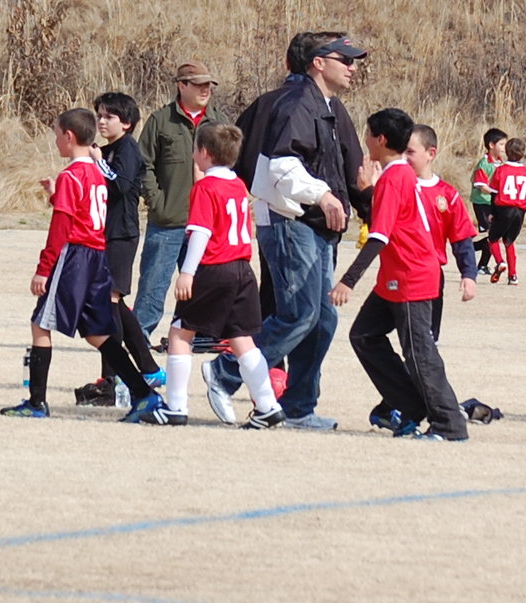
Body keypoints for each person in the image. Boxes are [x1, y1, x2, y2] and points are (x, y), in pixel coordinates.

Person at [222, 32, 370, 431]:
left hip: (315, 225)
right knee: (298, 314)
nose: (353, 68)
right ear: (318, 62)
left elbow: (345, 167)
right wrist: (324, 196)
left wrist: (365, 205)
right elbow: (280, 166)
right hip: (290, 222)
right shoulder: (297, 103)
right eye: (345, 60)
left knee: (320, 320)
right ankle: (226, 372)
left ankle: (299, 407)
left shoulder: (327, 105)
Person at [3, 107, 169, 422]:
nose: (55, 141)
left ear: (69, 136)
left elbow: (61, 229)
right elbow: (85, 213)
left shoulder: (71, 175)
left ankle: (36, 402)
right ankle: (144, 394)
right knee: (97, 333)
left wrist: (44, 269)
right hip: (97, 257)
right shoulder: (96, 172)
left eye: (56, 135)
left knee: (40, 324)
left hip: (74, 258)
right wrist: (56, 196)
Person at [334, 107, 473, 441]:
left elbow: (380, 236)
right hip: (394, 277)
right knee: (364, 336)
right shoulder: (399, 175)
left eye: (368, 134)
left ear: (380, 140)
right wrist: (369, 192)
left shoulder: (396, 177)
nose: (365, 140)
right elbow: (392, 218)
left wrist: (348, 281)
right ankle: (410, 406)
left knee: (420, 352)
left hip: (412, 276)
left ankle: (449, 424)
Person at [154, 123, 282, 429]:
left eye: (195, 150)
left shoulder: (205, 187)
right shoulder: (237, 184)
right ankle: (267, 406)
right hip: (242, 269)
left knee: (180, 333)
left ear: (204, 153)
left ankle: (175, 407)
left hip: (214, 268)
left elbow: (201, 232)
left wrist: (187, 272)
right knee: (241, 338)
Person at [74, 91, 164, 406]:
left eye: (108, 116)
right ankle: (145, 369)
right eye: (99, 115)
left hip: (121, 234)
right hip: (103, 233)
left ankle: (114, 378)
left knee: (108, 302)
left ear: (126, 123)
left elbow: (121, 186)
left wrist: (98, 163)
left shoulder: (127, 149)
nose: (101, 121)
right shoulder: (107, 149)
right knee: (112, 302)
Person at [132, 63, 218, 341]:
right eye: (198, 84)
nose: (205, 90)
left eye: (208, 85)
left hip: (205, 225)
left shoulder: (218, 122)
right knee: (153, 285)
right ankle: (139, 338)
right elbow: (143, 165)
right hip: (167, 222)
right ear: (181, 85)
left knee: (204, 286)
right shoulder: (160, 121)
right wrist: (157, 202)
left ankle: (203, 337)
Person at [406, 124, 480, 341]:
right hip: (399, 272)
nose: (404, 157)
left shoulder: (447, 195)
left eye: (410, 151)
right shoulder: (397, 187)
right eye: (401, 151)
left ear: (431, 154)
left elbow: (462, 239)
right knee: (368, 333)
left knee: (426, 340)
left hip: (429, 275)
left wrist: (469, 275)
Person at [486, 137, 526, 285]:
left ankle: (500, 262)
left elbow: (494, 193)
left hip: (504, 208)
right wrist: (524, 210)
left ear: (507, 152)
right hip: (520, 211)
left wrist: (492, 212)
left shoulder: (501, 170)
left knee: (492, 238)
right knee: (510, 241)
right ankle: (513, 276)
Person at [468, 127, 506, 261]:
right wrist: (498, 193)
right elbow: (482, 187)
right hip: (482, 203)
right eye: (501, 144)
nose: (504, 148)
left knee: (495, 236)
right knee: (493, 235)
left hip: (493, 203)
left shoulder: (501, 163)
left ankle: (481, 264)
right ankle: (468, 249)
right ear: (491, 145)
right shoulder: (483, 164)